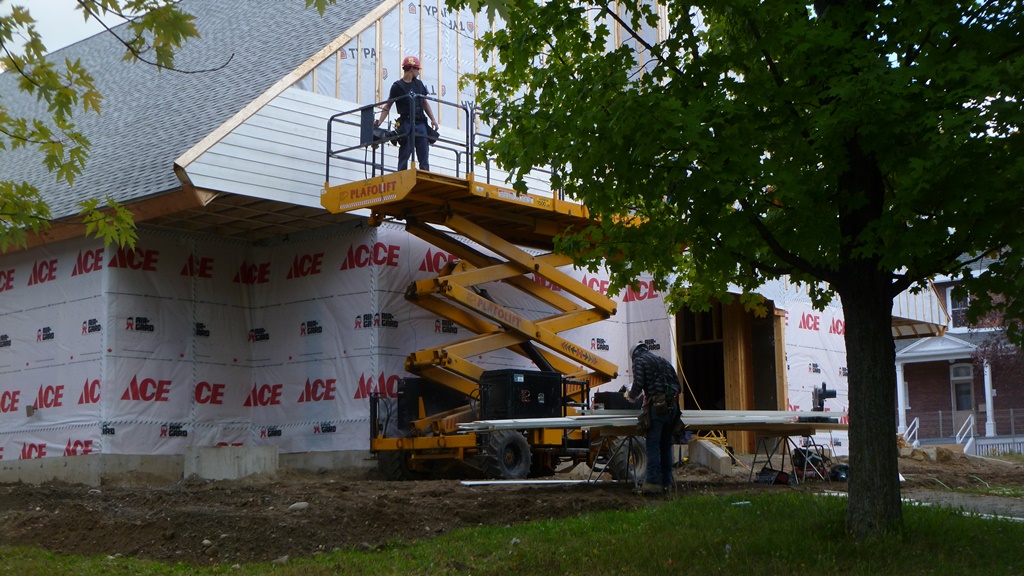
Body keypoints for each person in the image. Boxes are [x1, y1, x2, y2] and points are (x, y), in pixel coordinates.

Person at [627, 341, 681, 495]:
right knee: (665, 445)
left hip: (658, 407)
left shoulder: (639, 360)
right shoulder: (662, 360)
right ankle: (666, 483)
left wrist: (630, 397)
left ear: (634, 354)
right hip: (672, 408)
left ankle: (652, 483)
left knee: (652, 445)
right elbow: (678, 385)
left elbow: (638, 384)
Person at [374, 55, 439, 171]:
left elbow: (425, 103)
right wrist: (379, 121)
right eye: (417, 69)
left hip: (421, 123)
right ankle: (402, 174)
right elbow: (388, 106)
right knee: (405, 151)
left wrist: (433, 119)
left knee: (423, 152)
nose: (418, 72)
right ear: (411, 69)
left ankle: (424, 173)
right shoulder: (397, 87)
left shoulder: (419, 84)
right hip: (407, 123)